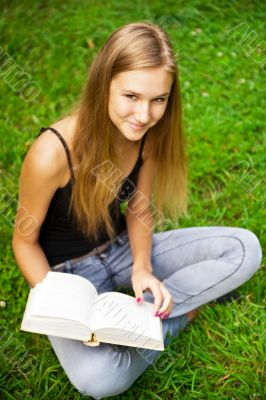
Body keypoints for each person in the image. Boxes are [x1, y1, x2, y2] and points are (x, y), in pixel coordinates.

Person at [12, 21, 262, 399]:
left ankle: (143, 317)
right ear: (104, 85)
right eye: (131, 95)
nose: (144, 115)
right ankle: (175, 317)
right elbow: (24, 242)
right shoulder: (53, 152)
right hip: (67, 276)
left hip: (123, 249)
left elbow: (139, 208)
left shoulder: (147, 134)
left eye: (158, 99)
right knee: (99, 381)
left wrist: (142, 268)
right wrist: (61, 308)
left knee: (244, 249)